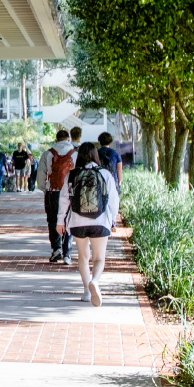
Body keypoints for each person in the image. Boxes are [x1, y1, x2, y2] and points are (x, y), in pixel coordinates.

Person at [57, 142, 121, 307]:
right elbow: (114, 200)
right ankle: (95, 281)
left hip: (77, 222)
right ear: (95, 156)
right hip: (100, 221)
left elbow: (64, 200)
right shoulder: (105, 173)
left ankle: (86, 291)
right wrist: (113, 220)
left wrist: (60, 221)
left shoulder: (72, 175)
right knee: (99, 257)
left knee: (83, 257)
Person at [36, 129, 76, 265]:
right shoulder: (75, 154)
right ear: (69, 139)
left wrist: (46, 189)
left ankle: (56, 249)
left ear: (56, 139)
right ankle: (67, 252)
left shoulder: (48, 153)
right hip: (70, 192)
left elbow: (40, 177)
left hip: (53, 192)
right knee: (68, 220)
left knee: (53, 221)